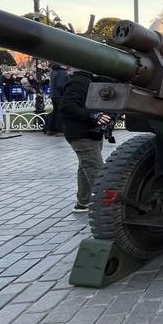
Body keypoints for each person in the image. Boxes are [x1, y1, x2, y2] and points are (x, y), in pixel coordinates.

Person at [60, 68, 114, 213]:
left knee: (85, 167)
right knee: (96, 169)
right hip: (81, 133)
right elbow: (67, 106)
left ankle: (83, 202)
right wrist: (92, 115)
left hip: (91, 132)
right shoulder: (79, 82)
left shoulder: (91, 81)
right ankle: (111, 207)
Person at [45, 63, 70, 136]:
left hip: (54, 95)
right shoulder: (62, 73)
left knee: (55, 112)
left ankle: (51, 129)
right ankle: (60, 130)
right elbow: (61, 85)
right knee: (59, 113)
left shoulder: (54, 72)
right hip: (60, 95)